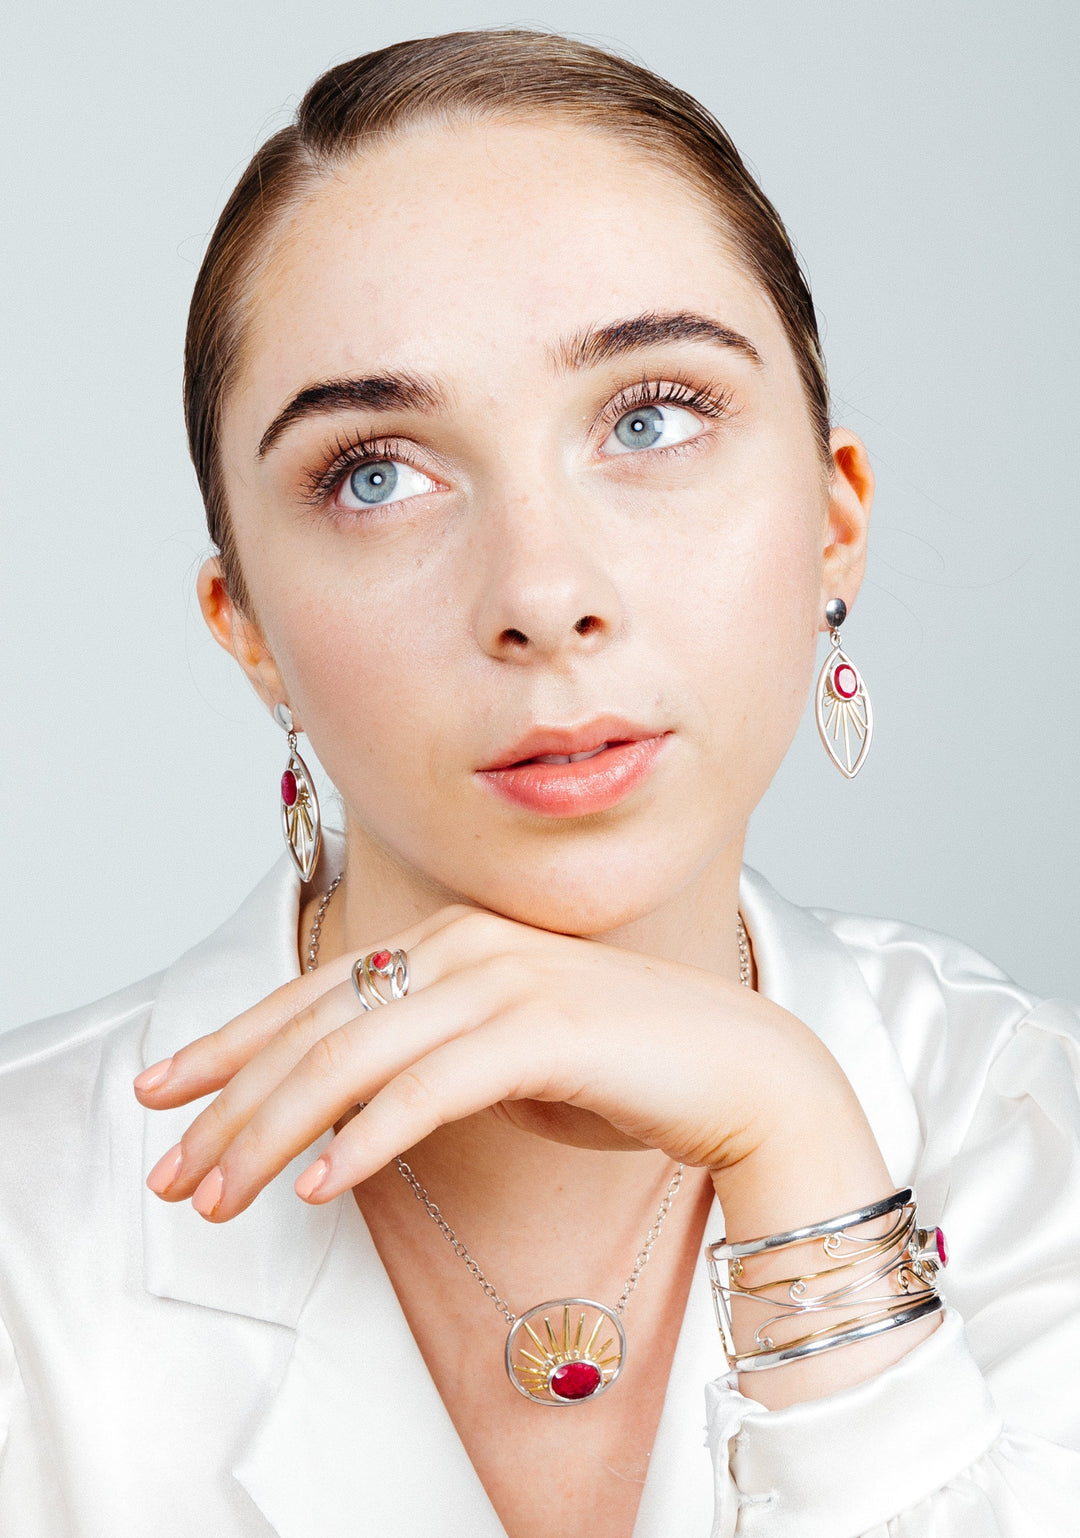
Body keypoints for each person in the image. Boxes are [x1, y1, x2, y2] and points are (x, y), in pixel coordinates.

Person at [1, 28, 1077, 1538]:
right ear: (246, 629)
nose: (545, 591)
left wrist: (798, 1148)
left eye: (652, 416)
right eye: (375, 470)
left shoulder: (1041, 1134)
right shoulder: (24, 1231)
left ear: (836, 521)